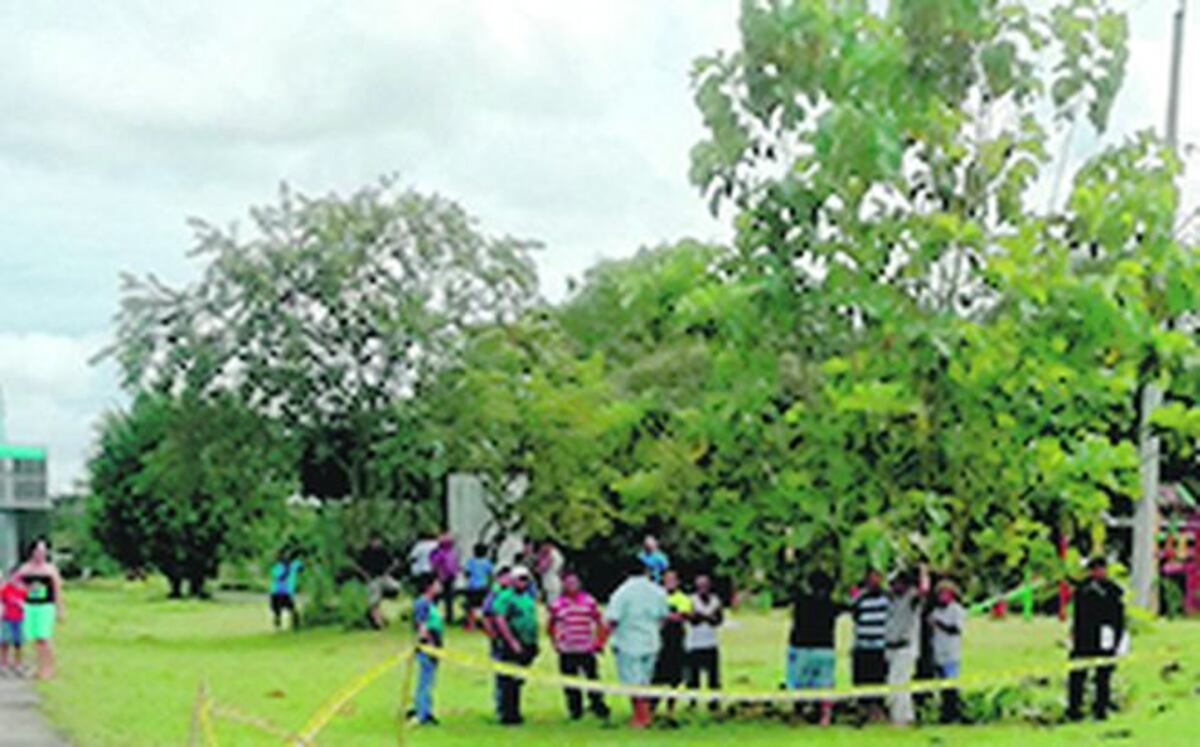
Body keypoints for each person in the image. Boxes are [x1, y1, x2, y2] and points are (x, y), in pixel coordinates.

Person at [605, 557, 669, 728]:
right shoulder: (657, 591)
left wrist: (600, 640)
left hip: (628, 644)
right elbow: (663, 617)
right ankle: (642, 715)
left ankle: (642, 718)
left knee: (633, 683)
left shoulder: (622, 592)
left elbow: (612, 619)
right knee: (644, 681)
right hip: (652, 642)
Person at [1067, 556, 1125, 722]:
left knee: (1103, 676)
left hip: (1104, 637)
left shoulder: (1113, 590)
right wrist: (1073, 634)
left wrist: (1117, 640)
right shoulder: (1083, 589)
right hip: (1084, 636)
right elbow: (1077, 615)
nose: (1098, 572)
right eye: (1095, 569)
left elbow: (1118, 617)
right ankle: (1075, 708)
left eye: (1101, 569)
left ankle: (1101, 708)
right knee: (1078, 674)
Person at [547, 571, 610, 720]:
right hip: (567, 649)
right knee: (570, 682)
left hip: (586, 647)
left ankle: (597, 705)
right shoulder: (558, 604)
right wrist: (555, 642)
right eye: (568, 583)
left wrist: (599, 641)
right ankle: (575, 710)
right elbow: (551, 625)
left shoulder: (589, 601)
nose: (571, 586)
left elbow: (599, 621)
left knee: (592, 679)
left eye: (574, 583)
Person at [786, 570, 840, 725]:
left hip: (802, 648)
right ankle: (825, 716)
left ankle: (799, 713)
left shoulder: (801, 602)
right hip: (825, 649)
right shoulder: (831, 605)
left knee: (799, 683)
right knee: (825, 683)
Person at [491, 566, 539, 725]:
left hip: (528, 642)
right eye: (520, 578)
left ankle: (514, 710)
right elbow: (500, 618)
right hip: (512, 643)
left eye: (526, 579)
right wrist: (511, 641)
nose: (523, 582)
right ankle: (508, 714)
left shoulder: (527, 597)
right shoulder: (505, 597)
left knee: (519, 679)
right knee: (509, 680)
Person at [14, 538, 64, 680]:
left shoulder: (50, 570)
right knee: (36, 639)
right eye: (38, 551)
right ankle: (39, 667)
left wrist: (59, 609)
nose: (40, 554)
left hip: (45, 606)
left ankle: (48, 668)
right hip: (30, 606)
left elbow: (57, 590)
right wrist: (22, 592)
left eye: (43, 551)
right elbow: (14, 582)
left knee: (45, 638)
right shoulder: (25, 568)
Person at [884, 567, 929, 725]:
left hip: (905, 647)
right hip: (891, 647)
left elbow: (923, 591)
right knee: (893, 683)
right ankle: (900, 716)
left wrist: (923, 571)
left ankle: (902, 718)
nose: (893, 586)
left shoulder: (911, 599)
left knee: (899, 684)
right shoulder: (891, 600)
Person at [850, 568, 889, 721]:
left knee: (878, 679)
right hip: (862, 644)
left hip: (879, 645)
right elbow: (855, 614)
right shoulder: (860, 597)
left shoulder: (887, 598)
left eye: (877, 577)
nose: (874, 581)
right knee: (861, 679)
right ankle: (863, 710)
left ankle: (877, 710)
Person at [651, 570, 691, 718]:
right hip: (659, 642)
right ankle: (652, 708)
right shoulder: (657, 596)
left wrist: (666, 617)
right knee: (656, 677)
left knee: (675, 678)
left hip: (676, 642)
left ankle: (670, 710)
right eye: (667, 580)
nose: (670, 583)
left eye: (673, 580)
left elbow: (682, 616)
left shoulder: (682, 598)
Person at [929, 579, 965, 723]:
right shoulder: (936, 611)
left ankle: (953, 712)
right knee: (941, 685)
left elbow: (955, 629)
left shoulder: (956, 610)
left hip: (951, 653)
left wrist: (938, 624)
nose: (943, 597)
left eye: (946, 594)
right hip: (938, 652)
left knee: (951, 685)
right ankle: (944, 713)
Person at [685, 573, 724, 708]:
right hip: (694, 644)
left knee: (714, 677)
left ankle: (714, 702)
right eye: (700, 586)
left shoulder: (715, 600)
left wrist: (703, 616)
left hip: (711, 643)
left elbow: (718, 620)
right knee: (693, 678)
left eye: (705, 585)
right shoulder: (691, 600)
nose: (703, 588)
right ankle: (692, 702)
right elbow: (692, 620)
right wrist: (708, 617)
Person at [412, 576, 444, 726]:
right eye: (436, 583)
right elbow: (421, 626)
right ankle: (421, 712)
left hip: (435, 645)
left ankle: (426, 709)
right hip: (428, 646)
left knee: (430, 679)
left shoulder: (431, 603)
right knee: (425, 679)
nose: (439, 585)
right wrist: (428, 644)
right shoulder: (422, 603)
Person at [481, 566, 513, 719]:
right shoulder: (494, 595)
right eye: (506, 577)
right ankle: (501, 707)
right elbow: (486, 616)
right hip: (500, 640)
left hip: (512, 638)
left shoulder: (512, 594)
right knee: (501, 673)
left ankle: (509, 705)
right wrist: (493, 635)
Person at [357, 535, 400, 629]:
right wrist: (366, 576)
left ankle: (378, 616)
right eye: (375, 541)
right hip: (373, 579)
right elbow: (359, 566)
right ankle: (378, 623)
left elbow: (393, 563)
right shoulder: (365, 553)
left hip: (383, 577)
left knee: (396, 588)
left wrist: (388, 572)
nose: (377, 543)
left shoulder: (383, 551)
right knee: (374, 601)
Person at [268, 549, 302, 631]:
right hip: (277, 592)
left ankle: (296, 626)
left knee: (293, 610)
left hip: (287, 592)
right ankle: (278, 628)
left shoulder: (293, 564)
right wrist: (288, 568)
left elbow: (301, 568)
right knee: (277, 612)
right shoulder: (277, 567)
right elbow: (280, 577)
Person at [1, 568, 27, 675]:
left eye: (17, 577)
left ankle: (18, 663)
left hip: (19, 619)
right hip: (7, 618)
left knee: (18, 642)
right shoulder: (5, 589)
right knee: (4, 642)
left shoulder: (23, 590)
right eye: (13, 576)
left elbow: (28, 604)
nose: (15, 579)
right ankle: (3, 663)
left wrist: (22, 605)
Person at [430, 534, 460, 625]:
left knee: (446, 598)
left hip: (447, 577)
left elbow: (435, 564)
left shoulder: (449, 552)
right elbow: (436, 565)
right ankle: (434, 615)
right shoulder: (444, 553)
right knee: (439, 597)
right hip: (445, 577)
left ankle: (448, 617)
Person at [463, 543, 494, 632]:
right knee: (484, 607)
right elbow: (491, 575)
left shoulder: (471, 561)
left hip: (472, 587)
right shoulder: (487, 562)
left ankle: (471, 626)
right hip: (483, 587)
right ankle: (486, 626)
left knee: (471, 607)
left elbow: (467, 574)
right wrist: (490, 585)